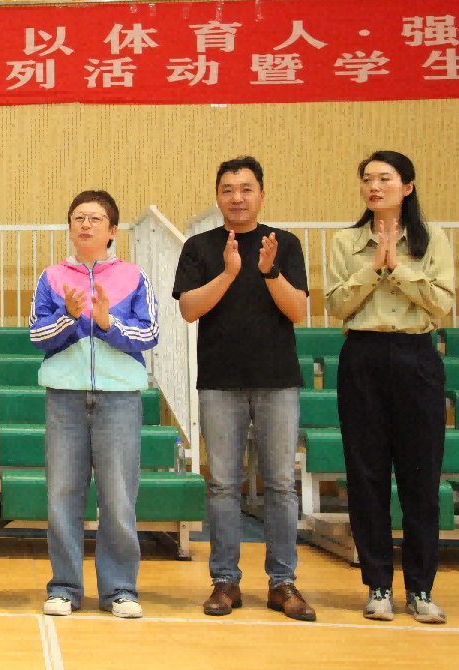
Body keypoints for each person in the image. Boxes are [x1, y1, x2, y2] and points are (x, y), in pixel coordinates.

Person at [172, 156, 316, 622]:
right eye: (228, 189)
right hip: (220, 381)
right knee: (222, 485)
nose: (237, 197)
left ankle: (282, 582)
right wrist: (230, 273)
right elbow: (189, 309)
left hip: (278, 381)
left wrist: (269, 271)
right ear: (217, 196)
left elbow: (297, 311)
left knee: (280, 484)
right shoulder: (199, 246)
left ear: (261, 194)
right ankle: (224, 580)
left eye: (246, 189)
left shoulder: (284, 244)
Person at [324, 151, 454, 624]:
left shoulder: (432, 239)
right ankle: (378, 584)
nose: (374, 187)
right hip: (362, 356)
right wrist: (373, 267)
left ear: (408, 186)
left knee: (421, 480)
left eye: (385, 178)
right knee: (367, 476)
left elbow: (441, 304)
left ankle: (420, 588)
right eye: (367, 179)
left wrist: (397, 267)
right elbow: (337, 305)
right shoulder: (346, 241)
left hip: (417, 356)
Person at [30, 190, 159, 619]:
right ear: (70, 228)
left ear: (112, 230)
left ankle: (120, 588)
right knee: (62, 496)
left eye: (95, 218)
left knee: (118, 498)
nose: (86, 224)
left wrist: (107, 323)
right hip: (64, 397)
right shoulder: (51, 276)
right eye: (78, 218)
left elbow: (149, 333)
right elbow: (37, 335)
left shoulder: (134, 276)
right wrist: (68, 317)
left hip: (119, 398)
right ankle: (64, 587)